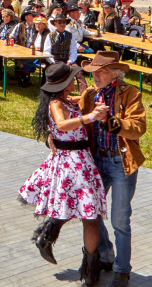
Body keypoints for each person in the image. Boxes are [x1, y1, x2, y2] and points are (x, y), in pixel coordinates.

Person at [19, 63, 107, 286]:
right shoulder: (57, 103)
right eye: (73, 78)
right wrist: (91, 118)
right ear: (63, 83)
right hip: (72, 164)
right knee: (87, 214)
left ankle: (87, 265)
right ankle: (90, 270)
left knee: (86, 213)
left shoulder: (67, 99)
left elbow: (84, 99)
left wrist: (88, 92)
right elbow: (62, 124)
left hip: (81, 161)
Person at [79, 51, 147, 287]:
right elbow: (77, 118)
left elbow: (138, 128)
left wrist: (110, 122)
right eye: (94, 71)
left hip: (121, 162)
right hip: (97, 161)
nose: (96, 75)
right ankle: (104, 255)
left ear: (115, 73)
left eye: (101, 71)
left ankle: (122, 269)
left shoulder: (131, 94)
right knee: (90, 213)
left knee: (120, 220)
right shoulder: (90, 94)